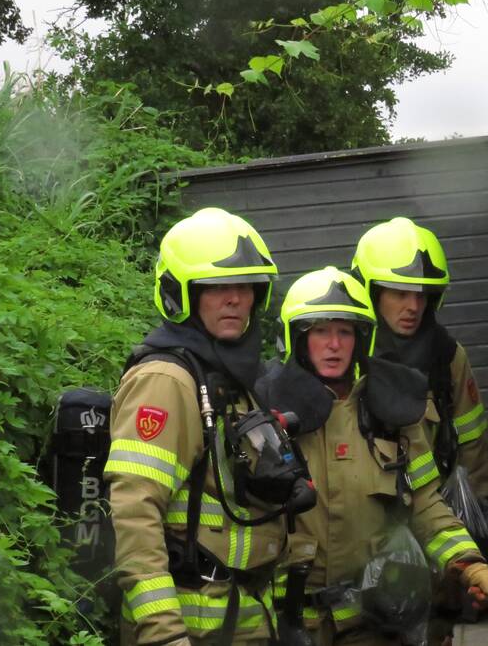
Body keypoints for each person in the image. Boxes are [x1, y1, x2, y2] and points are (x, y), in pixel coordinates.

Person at [256, 266, 488, 646]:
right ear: (298, 338)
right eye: (320, 331)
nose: (334, 344)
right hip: (287, 624)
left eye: (344, 331)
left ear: (361, 338)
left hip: (371, 621)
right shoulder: (264, 415)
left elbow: (425, 503)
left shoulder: (390, 413)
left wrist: (468, 563)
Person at [105, 207, 315, 646]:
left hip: (246, 619)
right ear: (182, 295)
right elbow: (136, 514)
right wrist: (163, 633)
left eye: (245, 286)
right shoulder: (165, 381)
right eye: (218, 287)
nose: (236, 298)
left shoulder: (234, 379)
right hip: (191, 626)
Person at [351, 218, 488, 499]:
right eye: (400, 293)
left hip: (435, 511)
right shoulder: (348, 356)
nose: (413, 307)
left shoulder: (448, 356)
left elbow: (473, 446)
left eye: (422, 295)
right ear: (372, 293)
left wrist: (477, 513)